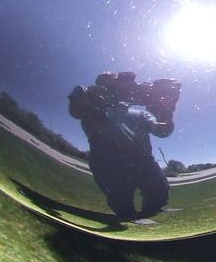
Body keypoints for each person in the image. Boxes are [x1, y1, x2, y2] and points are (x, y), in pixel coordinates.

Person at [68, 72, 180, 222]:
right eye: (105, 84)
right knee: (119, 194)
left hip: (142, 159)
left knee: (159, 189)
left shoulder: (139, 115)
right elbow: (75, 111)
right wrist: (89, 102)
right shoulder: (91, 105)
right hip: (109, 159)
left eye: (115, 84)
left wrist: (166, 110)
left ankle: (154, 208)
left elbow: (162, 131)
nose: (113, 89)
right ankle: (128, 215)